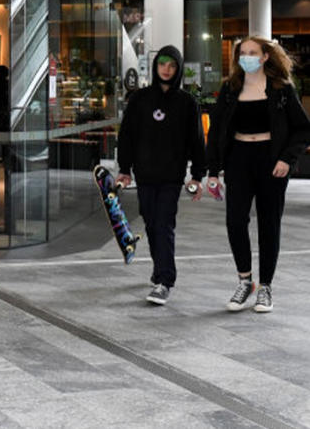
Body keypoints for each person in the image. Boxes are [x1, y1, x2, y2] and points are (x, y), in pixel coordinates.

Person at [206, 37, 310, 313]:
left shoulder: (282, 89)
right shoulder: (230, 89)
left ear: (265, 56)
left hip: (271, 159)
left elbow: (303, 128)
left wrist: (287, 159)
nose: (247, 57)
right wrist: (213, 170)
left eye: (253, 53)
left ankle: (265, 287)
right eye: (243, 53)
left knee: (269, 223)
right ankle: (245, 281)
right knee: (235, 220)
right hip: (238, 157)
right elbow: (216, 131)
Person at [116, 45, 205, 306]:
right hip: (145, 174)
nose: (166, 69)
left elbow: (197, 142)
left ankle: (165, 280)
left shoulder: (187, 103)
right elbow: (128, 136)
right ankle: (159, 270)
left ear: (177, 69)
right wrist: (124, 169)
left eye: (172, 65)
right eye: (162, 64)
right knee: (152, 222)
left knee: (164, 223)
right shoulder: (140, 99)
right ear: (156, 67)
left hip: (171, 176)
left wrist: (197, 176)